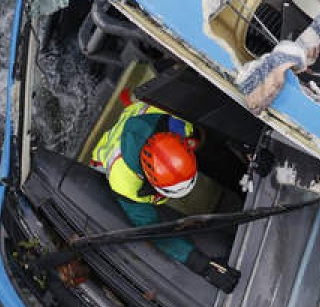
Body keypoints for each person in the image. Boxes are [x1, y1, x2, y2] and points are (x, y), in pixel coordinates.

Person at [91, 95, 240, 293]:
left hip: (141, 115)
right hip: (106, 153)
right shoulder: (123, 182)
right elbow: (154, 230)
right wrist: (202, 265)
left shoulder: (178, 123)